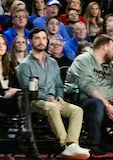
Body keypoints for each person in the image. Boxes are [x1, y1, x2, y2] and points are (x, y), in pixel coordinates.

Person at [16, 28, 88, 159]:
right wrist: (50, 100)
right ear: (30, 41)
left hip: (54, 100)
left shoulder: (53, 62)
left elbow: (59, 84)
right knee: (53, 107)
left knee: (76, 110)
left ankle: (72, 144)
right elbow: (29, 89)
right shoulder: (25, 64)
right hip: (34, 101)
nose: (41, 41)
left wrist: (59, 97)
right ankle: (66, 145)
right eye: (37, 38)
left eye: (43, 38)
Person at [66, 33, 113, 155]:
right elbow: (87, 86)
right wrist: (107, 105)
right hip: (86, 100)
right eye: (112, 48)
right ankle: (94, 144)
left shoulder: (112, 66)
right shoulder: (84, 60)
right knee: (97, 104)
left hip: (109, 102)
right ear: (104, 48)